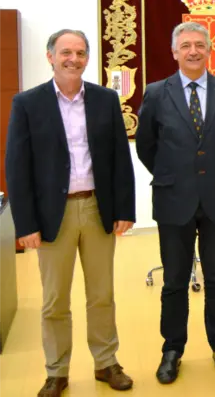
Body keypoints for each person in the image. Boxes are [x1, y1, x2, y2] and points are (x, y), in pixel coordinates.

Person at [6, 29, 135, 397]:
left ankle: (106, 362)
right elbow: (17, 167)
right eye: (65, 52)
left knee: (102, 294)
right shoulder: (28, 103)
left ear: (87, 58)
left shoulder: (105, 99)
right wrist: (26, 223)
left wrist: (125, 208)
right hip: (52, 215)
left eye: (80, 53)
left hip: (97, 209)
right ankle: (56, 371)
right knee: (54, 300)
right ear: (50, 56)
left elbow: (119, 158)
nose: (73, 59)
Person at [135, 21, 215, 384]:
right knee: (174, 282)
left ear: (210, 50)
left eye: (200, 45)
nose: (193, 51)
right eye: (186, 46)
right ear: (174, 52)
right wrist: (172, 174)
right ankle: (172, 349)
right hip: (173, 200)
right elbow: (146, 145)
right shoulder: (156, 93)